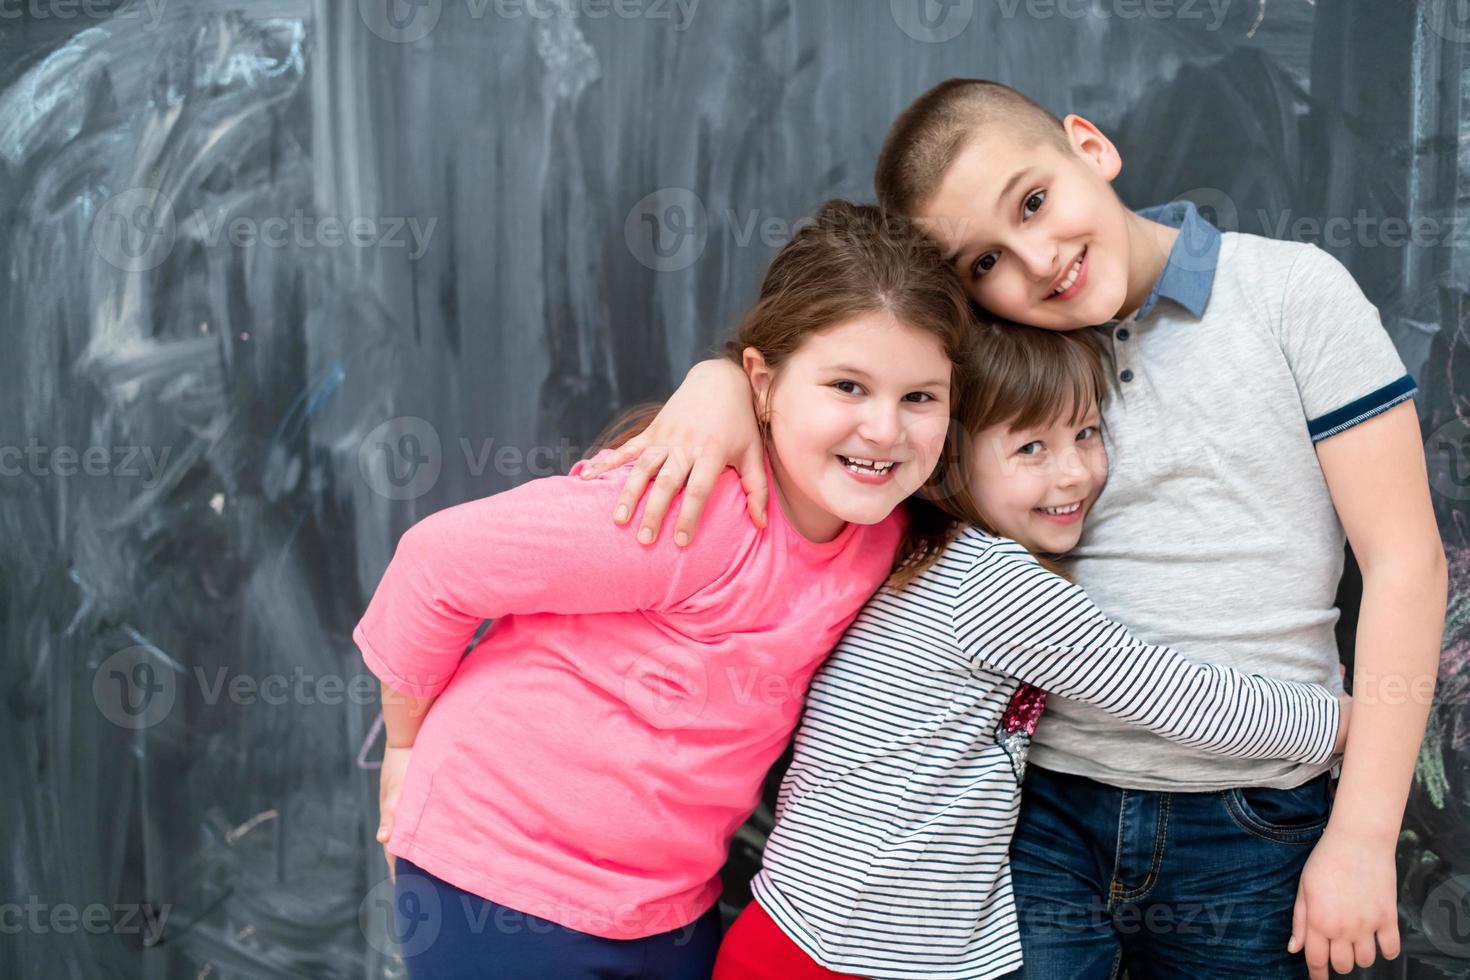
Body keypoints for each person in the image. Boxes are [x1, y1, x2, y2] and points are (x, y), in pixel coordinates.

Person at [579, 79, 1446, 980]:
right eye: (983, 263)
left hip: (1252, 814)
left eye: (1034, 201)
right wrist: (719, 381)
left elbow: (1405, 562)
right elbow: (839, 361)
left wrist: (1366, 833)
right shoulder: (987, 351)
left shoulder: (1289, 291)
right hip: (1037, 818)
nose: (1035, 261)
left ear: (1089, 147)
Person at [354, 200, 976, 979]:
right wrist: (405, 749)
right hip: (498, 872)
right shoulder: (689, 510)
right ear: (764, 379)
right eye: (848, 386)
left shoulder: (887, 537)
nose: (885, 429)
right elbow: (434, 564)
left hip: (666, 902)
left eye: (920, 397)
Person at [711, 322, 1351, 980]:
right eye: (1030, 448)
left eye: (1086, 433)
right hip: (840, 955)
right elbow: (1181, 698)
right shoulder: (996, 586)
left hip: (814, 929)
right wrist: (1340, 722)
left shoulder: (924, 548)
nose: (1074, 472)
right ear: (951, 462)